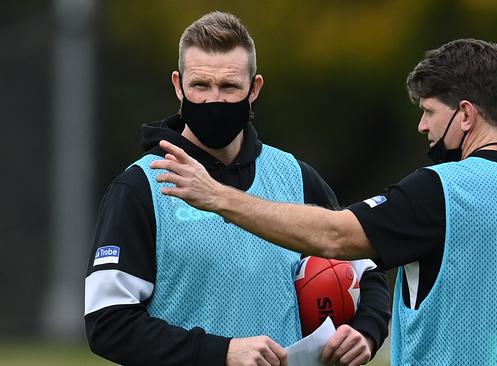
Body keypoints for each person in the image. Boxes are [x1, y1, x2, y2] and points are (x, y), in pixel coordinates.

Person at [151, 39, 497, 365]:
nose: (423, 128)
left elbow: (333, 236)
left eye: (429, 112)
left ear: (465, 115)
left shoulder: (439, 190)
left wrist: (219, 198)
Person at [84, 10, 390, 366]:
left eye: (229, 87)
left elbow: (366, 271)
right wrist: (222, 352)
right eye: (200, 85)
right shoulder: (139, 188)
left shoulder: (295, 177)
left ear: (254, 89)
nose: (215, 100)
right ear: (178, 85)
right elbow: (107, 323)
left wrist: (366, 331)